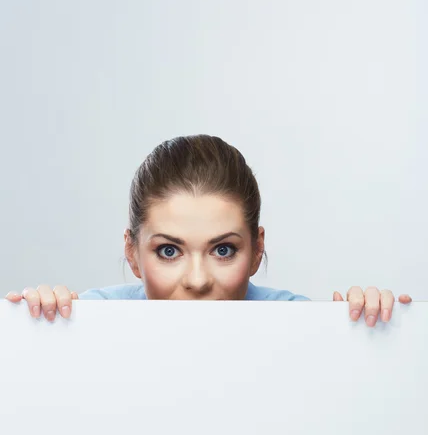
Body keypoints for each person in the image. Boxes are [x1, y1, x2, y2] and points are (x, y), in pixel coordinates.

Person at [5, 134, 412, 326]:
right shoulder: (91, 318)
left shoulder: (295, 322)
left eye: (222, 250)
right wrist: (39, 328)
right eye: (169, 251)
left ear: (256, 250)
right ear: (132, 253)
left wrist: (371, 330)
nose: (197, 281)